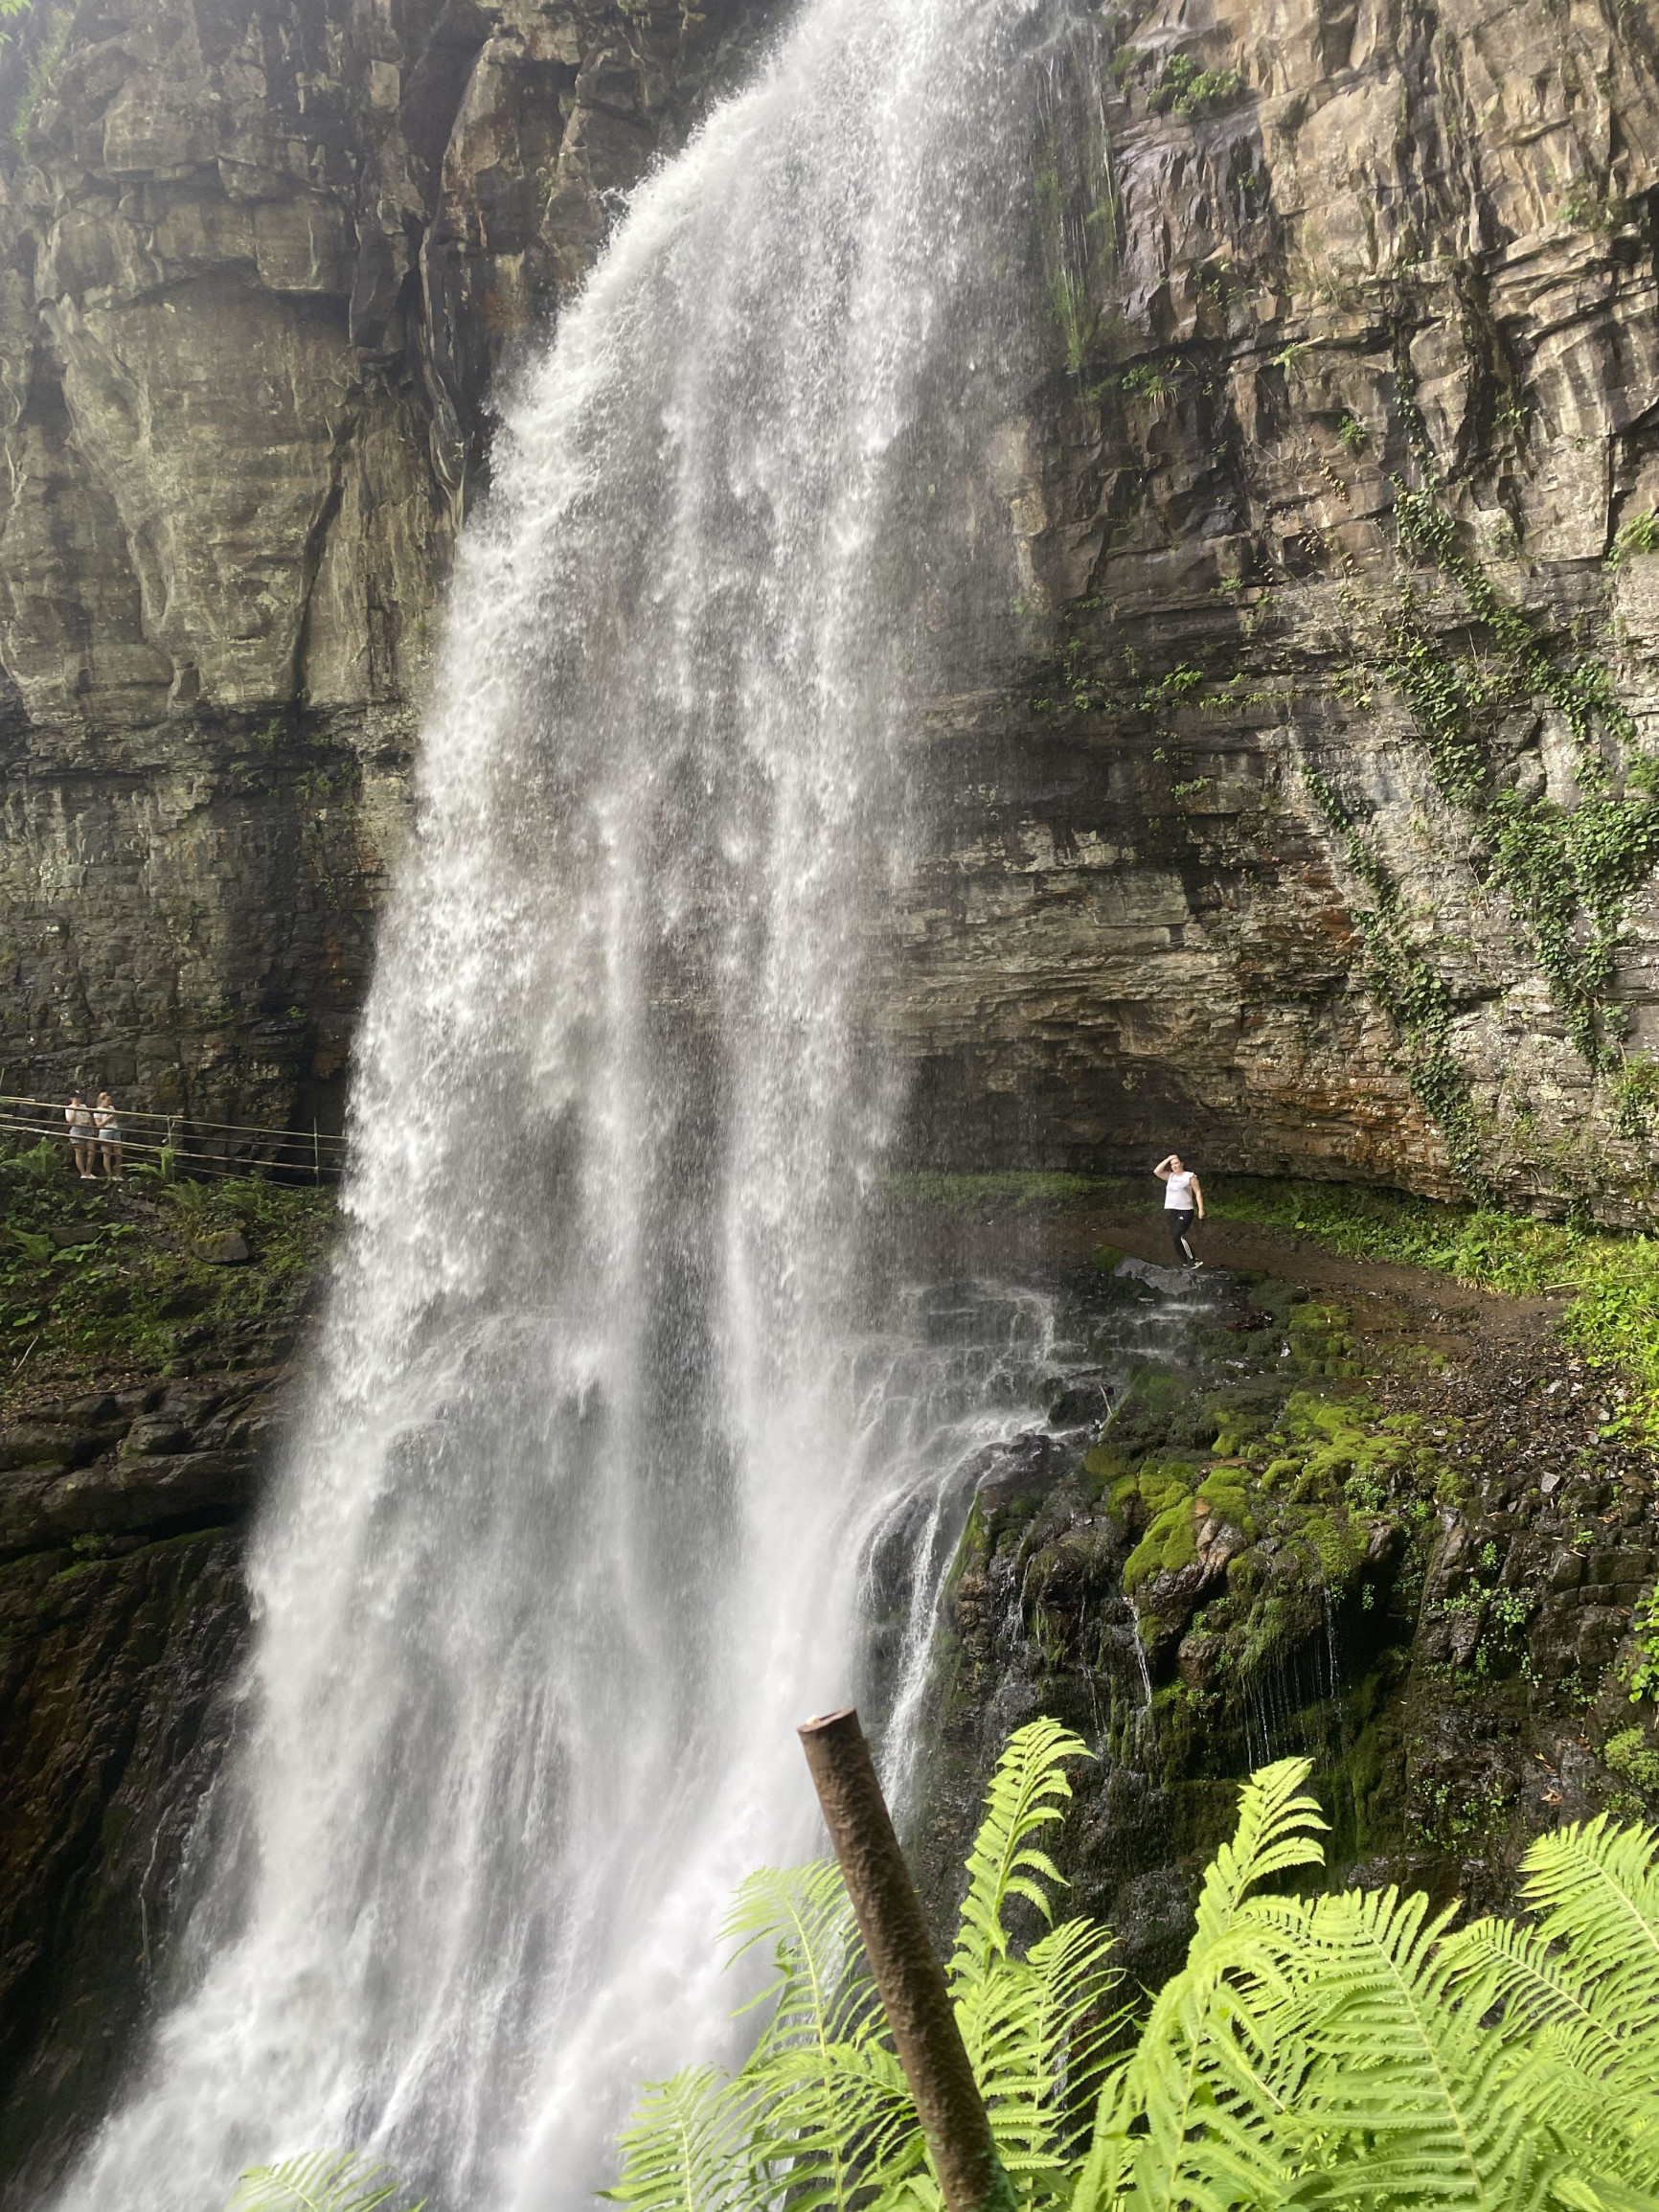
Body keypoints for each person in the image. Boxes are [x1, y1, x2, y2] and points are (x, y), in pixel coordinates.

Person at [1153, 1151, 1204, 1266]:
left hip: (1185, 1210)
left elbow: (1198, 1193)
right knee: (1175, 1237)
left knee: (1178, 1235)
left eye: (1176, 1163)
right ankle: (1184, 1263)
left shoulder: (1189, 1176)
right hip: (1173, 1211)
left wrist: (1201, 1209)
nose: (1174, 1166)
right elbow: (1157, 1171)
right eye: (1172, 1164)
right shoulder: (1170, 1176)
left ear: (1182, 1163)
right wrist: (1168, 1158)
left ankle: (1195, 1260)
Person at [64, 1090, 98, 1180]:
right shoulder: (68, 1108)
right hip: (77, 1129)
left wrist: (92, 1129)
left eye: (79, 1097)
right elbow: (70, 1121)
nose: (78, 1099)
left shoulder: (84, 1106)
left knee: (91, 1152)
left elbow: (88, 1118)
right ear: (71, 1098)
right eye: (76, 1098)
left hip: (86, 1128)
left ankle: (88, 1172)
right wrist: (75, 1111)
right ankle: (83, 1173)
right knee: (79, 1152)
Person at [94, 1091, 124, 1181]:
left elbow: (116, 1118)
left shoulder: (112, 1108)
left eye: (110, 1100)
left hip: (115, 1130)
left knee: (118, 1155)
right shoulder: (97, 1110)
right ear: (101, 1101)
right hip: (105, 1132)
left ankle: (118, 1175)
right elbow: (99, 1125)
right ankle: (109, 1175)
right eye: (108, 1100)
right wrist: (108, 1118)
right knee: (107, 1155)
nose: (109, 1102)